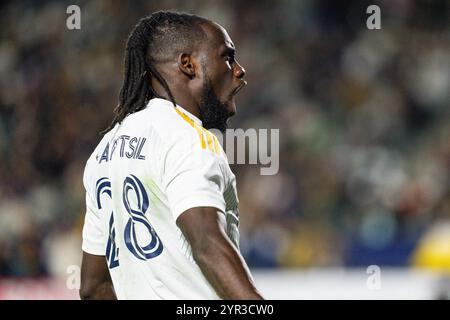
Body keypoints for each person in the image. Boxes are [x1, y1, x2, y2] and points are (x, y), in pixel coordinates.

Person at [80, 10, 263, 300]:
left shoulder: (104, 150)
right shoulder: (187, 137)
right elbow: (206, 243)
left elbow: (93, 287)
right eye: (227, 57)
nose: (239, 70)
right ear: (188, 65)